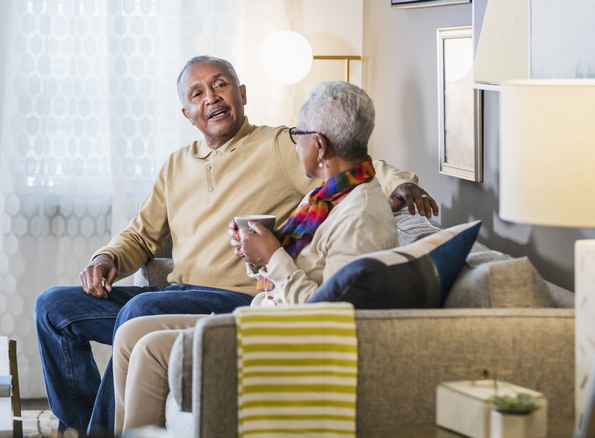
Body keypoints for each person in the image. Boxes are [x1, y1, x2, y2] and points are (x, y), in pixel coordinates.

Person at [34, 55, 439, 435]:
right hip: (176, 295)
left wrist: (402, 181)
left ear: (242, 94)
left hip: (233, 299)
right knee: (53, 306)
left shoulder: (282, 145)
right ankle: (83, 424)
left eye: (221, 85)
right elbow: (141, 234)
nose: (211, 97)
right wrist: (106, 257)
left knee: (142, 308)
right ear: (187, 114)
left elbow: (354, 159)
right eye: (198, 94)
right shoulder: (176, 164)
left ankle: (101, 431)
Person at [113, 80, 398, 434]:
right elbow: (306, 267)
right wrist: (259, 251)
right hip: (265, 312)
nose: (297, 145)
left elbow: (332, 317)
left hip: (282, 336)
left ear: (319, 145)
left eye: (300, 134)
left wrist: (275, 255)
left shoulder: (360, 218)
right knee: (130, 333)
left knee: (149, 347)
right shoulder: (328, 197)